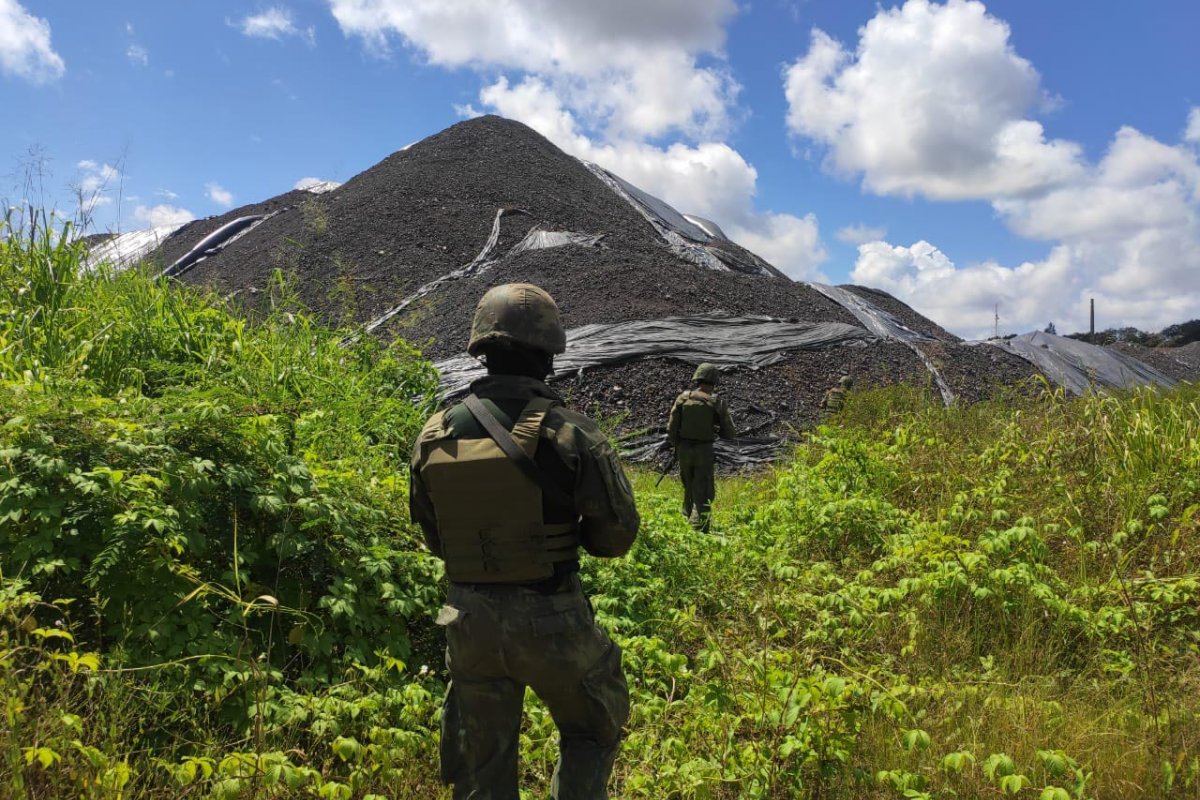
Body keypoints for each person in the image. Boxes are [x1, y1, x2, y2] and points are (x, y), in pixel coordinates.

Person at [409, 283, 640, 800]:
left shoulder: (435, 432)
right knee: (591, 727)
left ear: (481, 352)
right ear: (549, 354)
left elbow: (433, 536)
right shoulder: (570, 432)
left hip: (468, 622)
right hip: (552, 616)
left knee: (479, 758)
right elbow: (616, 537)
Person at [666, 363, 735, 532]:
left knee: (688, 488)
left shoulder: (683, 398)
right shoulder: (716, 402)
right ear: (714, 381)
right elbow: (730, 433)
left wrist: (677, 445)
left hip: (683, 450)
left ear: (697, 378)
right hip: (703, 451)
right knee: (703, 492)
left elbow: (671, 428)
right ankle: (699, 532)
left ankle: (684, 525)